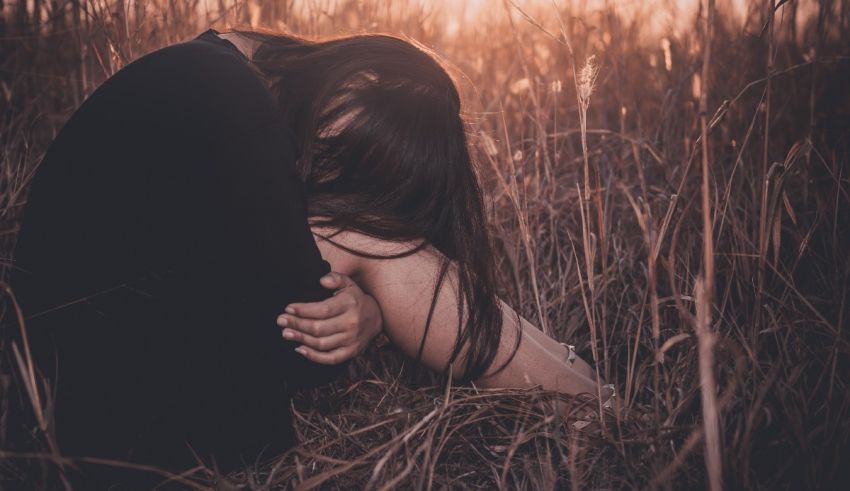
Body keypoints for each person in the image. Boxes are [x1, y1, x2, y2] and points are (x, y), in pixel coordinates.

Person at [4, 28, 611, 488]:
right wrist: (370, 305)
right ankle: (584, 395)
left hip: (68, 374)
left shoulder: (226, 64)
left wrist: (369, 307)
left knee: (369, 239)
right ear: (358, 82)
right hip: (101, 412)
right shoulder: (244, 117)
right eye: (344, 153)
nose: (328, 164)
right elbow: (306, 336)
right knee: (381, 243)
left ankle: (580, 387)